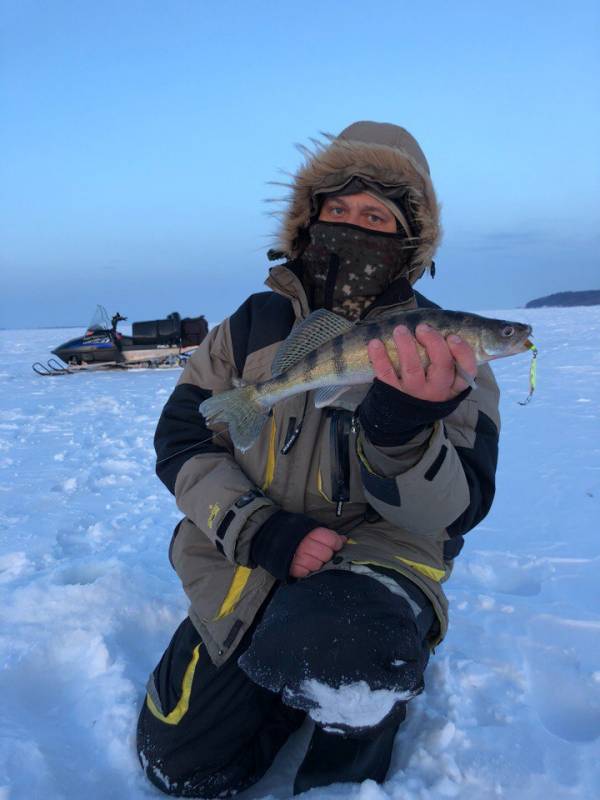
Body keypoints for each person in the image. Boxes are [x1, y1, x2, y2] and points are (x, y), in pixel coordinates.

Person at [136, 121, 500, 797]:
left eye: (376, 216)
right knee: (183, 765)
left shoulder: (448, 352)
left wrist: (401, 431)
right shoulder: (251, 325)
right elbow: (183, 440)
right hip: (252, 559)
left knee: (351, 651)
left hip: (375, 569)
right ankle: (276, 692)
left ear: (409, 237)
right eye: (338, 210)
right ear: (309, 219)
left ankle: (344, 754)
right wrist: (257, 528)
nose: (352, 225)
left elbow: (457, 510)